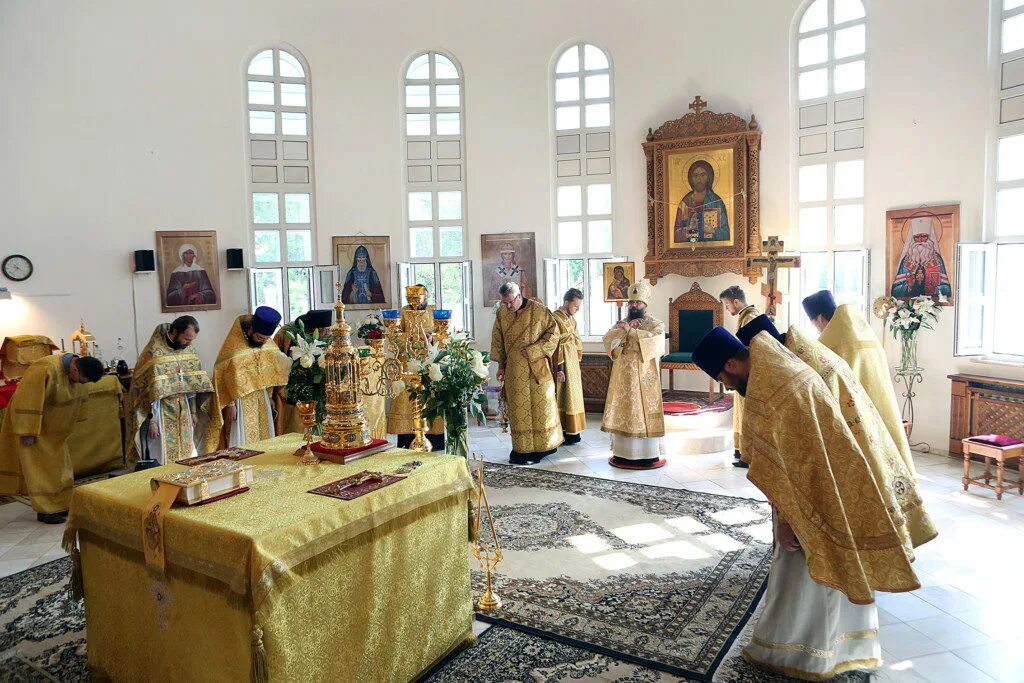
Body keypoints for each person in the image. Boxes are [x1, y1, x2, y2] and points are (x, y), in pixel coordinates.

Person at [692, 327, 921, 680]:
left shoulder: (772, 393)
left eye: (722, 377)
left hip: (814, 498)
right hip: (833, 484)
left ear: (731, 363)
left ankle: (804, 654)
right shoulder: (782, 366)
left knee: (805, 571)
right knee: (829, 567)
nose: (725, 385)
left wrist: (786, 519)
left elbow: (792, 469)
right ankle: (847, 646)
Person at [737, 314, 937, 549]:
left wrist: (786, 518)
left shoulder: (794, 375)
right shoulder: (813, 354)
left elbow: (803, 451)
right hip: (865, 443)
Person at [804, 289, 918, 478]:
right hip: (881, 407)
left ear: (821, 318)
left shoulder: (828, 344)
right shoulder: (864, 333)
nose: (818, 330)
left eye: (815, 325)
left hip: (853, 414)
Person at [0, 353, 105, 523]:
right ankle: (46, 511)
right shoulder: (44, 369)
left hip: (56, 431)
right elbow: (26, 400)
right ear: (75, 368)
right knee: (40, 470)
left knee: (59, 469)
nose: (80, 384)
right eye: (81, 380)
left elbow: (81, 396)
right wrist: (28, 431)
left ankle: (61, 504)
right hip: (36, 428)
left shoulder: (79, 371)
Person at [125, 316, 214, 465]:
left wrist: (192, 411)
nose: (189, 344)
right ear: (174, 332)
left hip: (183, 408)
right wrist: (152, 422)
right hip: (161, 412)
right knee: (162, 452)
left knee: (186, 451)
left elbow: (192, 385)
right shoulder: (153, 353)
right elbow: (147, 393)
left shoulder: (189, 350)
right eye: (186, 339)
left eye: (192, 340)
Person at [491, 281, 562, 464]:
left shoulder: (539, 310)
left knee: (541, 409)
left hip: (537, 368)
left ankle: (545, 446)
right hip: (514, 371)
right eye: (504, 303)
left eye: (510, 302)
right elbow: (498, 340)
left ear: (519, 295)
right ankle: (523, 450)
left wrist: (535, 350)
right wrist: (500, 366)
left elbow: (554, 334)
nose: (507, 306)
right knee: (519, 411)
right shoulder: (501, 314)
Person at [601, 280, 667, 469]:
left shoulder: (655, 324)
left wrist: (632, 332)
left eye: (637, 303)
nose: (633, 305)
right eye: (631, 302)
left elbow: (656, 345)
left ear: (645, 304)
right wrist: (623, 332)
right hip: (623, 377)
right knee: (625, 410)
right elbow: (608, 340)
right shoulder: (621, 324)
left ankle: (647, 454)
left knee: (642, 411)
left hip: (645, 376)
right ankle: (623, 454)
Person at [205, 306, 291, 449]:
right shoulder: (233, 348)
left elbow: (270, 371)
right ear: (251, 330)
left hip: (262, 398)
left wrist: (269, 396)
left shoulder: (267, 344)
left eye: (266, 339)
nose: (263, 342)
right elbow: (224, 375)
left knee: (264, 437)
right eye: (259, 337)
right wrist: (231, 405)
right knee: (243, 439)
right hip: (240, 401)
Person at [387, 285, 445, 450]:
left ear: (425, 297)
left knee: (430, 397)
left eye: (417, 300)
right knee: (408, 399)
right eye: (410, 300)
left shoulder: (433, 311)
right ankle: (407, 438)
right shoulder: (403, 312)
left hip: (429, 363)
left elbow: (440, 335)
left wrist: (429, 336)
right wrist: (411, 336)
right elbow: (396, 337)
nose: (413, 304)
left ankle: (435, 440)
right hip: (409, 364)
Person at [273, 309, 333, 436]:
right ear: (313, 330)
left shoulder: (326, 338)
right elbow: (278, 360)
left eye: (329, 330)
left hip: (318, 391)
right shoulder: (289, 335)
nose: (328, 333)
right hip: (293, 388)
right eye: (324, 331)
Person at [719, 285, 759, 468]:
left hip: (748, 372)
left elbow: (751, 348)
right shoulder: (746, 316)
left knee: (747, 412)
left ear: (736, 302)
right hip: (744, 371)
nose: (727, 309)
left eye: (727, 305)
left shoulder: (750, 317)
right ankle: (742, 450)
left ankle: (748, 453)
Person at [552, 288, 586, 444]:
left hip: (572, 361)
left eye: (579, 307)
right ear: (566, 302)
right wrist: (558, 369)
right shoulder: (554, 318)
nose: (577, 310)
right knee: (563, 396)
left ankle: (574, 431)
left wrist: (577, 358)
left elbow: (576, 338)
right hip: (562, 362)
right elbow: (554, 345)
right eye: (575, 306)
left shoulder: (571, 319)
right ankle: (564, 431)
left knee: (574, 396)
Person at [890, 216, 952, 298]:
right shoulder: (906, 261)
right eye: (917, 237)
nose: (921, 240)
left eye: (924, 236)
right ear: (913, 239)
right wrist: (908, 287)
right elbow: (895, 291)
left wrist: (936, 289)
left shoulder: (938, 260)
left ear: (929, 238)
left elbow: (947, 289)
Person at [673, 160, 730, 243]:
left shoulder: (716, 201)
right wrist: (688, 230)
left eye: (703, 175)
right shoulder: (685, 203)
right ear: (691, 179)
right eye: (695, 175)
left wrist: (714, 231)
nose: (699, 179)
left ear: (708, 178)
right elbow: (675, 234)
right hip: (689, 250)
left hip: (712, 250)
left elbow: (727, 234)